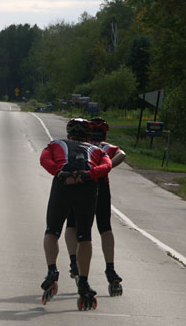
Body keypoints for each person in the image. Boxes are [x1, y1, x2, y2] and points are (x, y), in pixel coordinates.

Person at [39, 118, 112, 309]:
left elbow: (44, 159)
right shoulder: (97, 150)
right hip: (87, 188)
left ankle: (52, 271)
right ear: (88, 136)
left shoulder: (56, 144)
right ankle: (84, 282)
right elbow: (107, 165)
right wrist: (90, 174)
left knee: (52, 231)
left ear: (68, 134)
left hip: (62, 184)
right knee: (84, 237)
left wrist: (59, 172)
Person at [64, 116, 127, 296]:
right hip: (100, 185)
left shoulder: (80, 145)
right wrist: (107, 168)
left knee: (72, 225)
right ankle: (110, 268)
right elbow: (122, 154)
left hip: (78, 184)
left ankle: (74, 262)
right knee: (104, 227)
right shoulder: (103, 147)